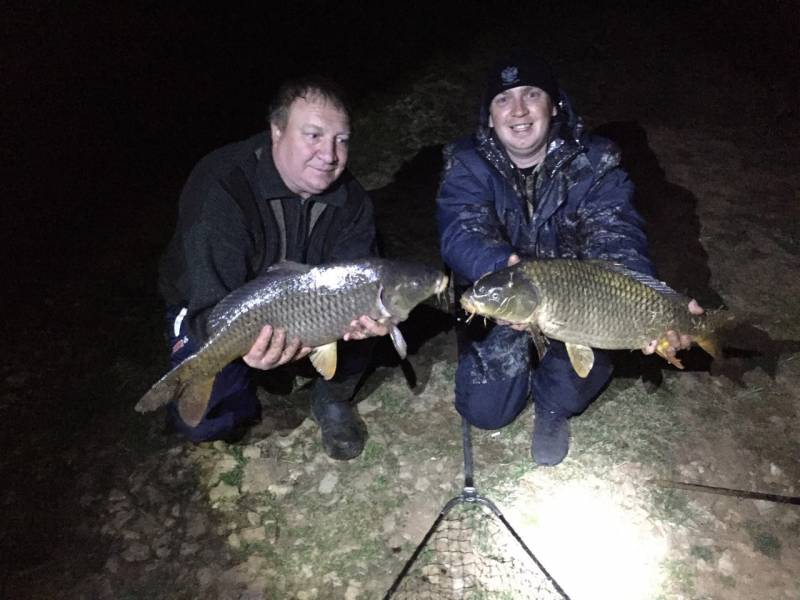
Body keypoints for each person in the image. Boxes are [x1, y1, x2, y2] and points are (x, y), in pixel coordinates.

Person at [436, 50, 702, 466]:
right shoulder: (466, 163)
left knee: (572, 384)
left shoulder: (595, 162)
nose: (519, 110)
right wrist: (498, 268)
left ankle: (552, 406)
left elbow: (615, 233)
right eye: (503, 99)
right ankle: (517, 369)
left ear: (554, 105)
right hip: (512, 291)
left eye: (532, 94)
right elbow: (460, 230)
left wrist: (652, 299)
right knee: (483, 411)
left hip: (584, 302)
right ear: (489, 116)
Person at [157, 75, 390, 459]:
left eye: (341, 140)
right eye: (313, 135)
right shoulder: (222, 184)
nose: (330, 155)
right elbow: (207, 302)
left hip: (301, 308)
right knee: (206, 419)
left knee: (367, 311)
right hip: (212, 306)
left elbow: (352, 284)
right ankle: (245, 394)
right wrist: (247, 353)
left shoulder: (353, 202)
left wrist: (363, 318)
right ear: (277, 130)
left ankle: (331, 396)